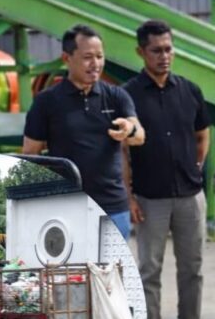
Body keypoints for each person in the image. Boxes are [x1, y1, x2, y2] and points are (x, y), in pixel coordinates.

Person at [122, 20, 215, 319]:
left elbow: (202, 132)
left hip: (190, 196)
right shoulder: (128, 95)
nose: (164, 56)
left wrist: (196, 165)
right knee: (149, 268)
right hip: (151, 198)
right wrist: (129, 195)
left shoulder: (189, 90)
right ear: (141, 52)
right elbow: (122, 149)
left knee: (193, 265)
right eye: (156, 50)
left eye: (168, 48)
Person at [23, 24, 145, 240]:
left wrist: (129, 128)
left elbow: (139, 135)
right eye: (88, 57)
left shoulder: (117, 96)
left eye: (100, 56)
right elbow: (30, 155)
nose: (95, 64)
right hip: (67, 208)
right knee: (72, 273)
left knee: (113, 272)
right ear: (66, 58)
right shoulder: (47, 102)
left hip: (113, 208)